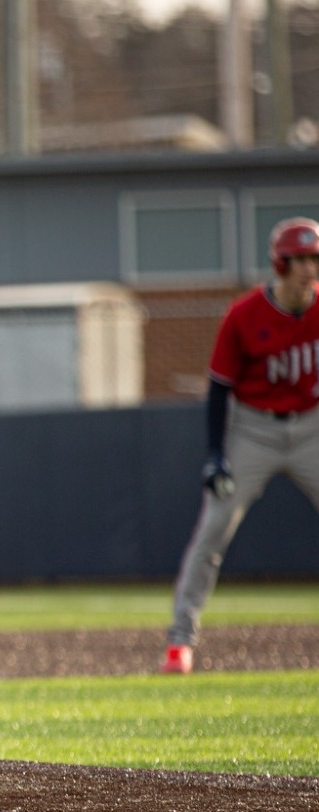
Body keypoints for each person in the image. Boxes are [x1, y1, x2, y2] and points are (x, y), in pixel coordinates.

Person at [164, 217, 319, 674]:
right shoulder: (245, 314)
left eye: (315, 259)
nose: (310, 268)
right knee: (213, 531)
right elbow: (218, 388)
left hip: (312, 425)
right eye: (301, 260)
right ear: (281, 262)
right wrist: (215, 454)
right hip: (253, 430)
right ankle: (179, 641)